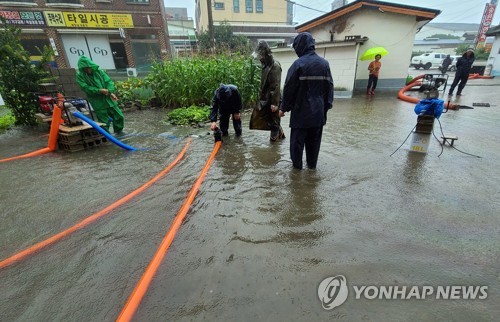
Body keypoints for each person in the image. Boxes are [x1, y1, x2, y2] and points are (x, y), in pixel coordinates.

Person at [280, 32, 334, 170]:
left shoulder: (298, 64)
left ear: (300, 46)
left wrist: (283, 108)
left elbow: (289, 89)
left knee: (296, 149)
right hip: (318, 115)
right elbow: (329, 90)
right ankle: (311, 170)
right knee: (314, 147)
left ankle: (296, 175)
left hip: (301, 115)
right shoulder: (324, 64)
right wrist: (325, 108)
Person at [76, 56, 124, 134]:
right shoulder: (80, 75)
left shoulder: (99, 72)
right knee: (104, 121)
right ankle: (106, 137)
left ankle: (119, 133)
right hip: (97, 101)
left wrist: (110, 92)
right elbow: (85, 87)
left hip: (108, 99)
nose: (88, 69)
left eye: (89, 67)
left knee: (119, 116)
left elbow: (108, 82)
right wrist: (99, 91)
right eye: (85, 68)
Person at [249, 40, 285, 141]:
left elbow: (276, 86)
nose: (259, 57)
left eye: (261, 54)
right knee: (264, 119)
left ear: (265, 53)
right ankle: (280, 135)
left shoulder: (275, 66)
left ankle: (274, 146)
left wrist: (275, 103)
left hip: (274, 99)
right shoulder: (265, 66)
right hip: (266, 99)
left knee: (274, 123)